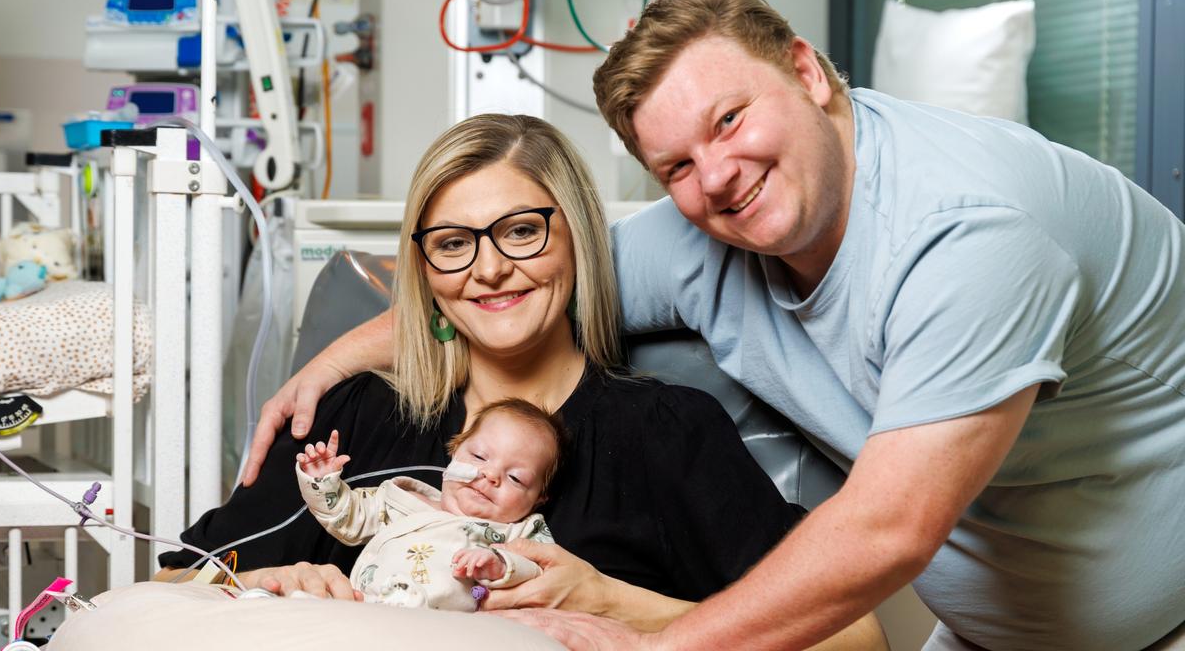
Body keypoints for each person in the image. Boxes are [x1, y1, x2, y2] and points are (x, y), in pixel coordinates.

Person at [250, 0, 1185, 651]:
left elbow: (890, 530)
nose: (717, 176)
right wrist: (337, 361)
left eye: (731, 120)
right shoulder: (709, 230)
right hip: (987, 629)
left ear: (807, 72)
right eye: (678, 166)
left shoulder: (973, 233)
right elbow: (511, 281)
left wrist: (648, 639)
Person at [159, 113, 887, 649]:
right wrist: (267, 584)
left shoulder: (663, 435)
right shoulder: (359, 416)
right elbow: (167, 588)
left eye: (520, 231)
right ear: (425, 273)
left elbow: (854, 637)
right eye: (453, 244)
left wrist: (615, 606)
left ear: (575, 237)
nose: (488, 268)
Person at [294, 400, 564, 611]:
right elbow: (348, 518)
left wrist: (503, 565)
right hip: (366, 606)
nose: (490, 476)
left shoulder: (518, 533)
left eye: (515, 478)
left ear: (539, 497)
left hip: (445, 629)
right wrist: (322, 480)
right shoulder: (400, 501)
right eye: (479, 456)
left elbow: (546, 576)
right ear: (455, 451)